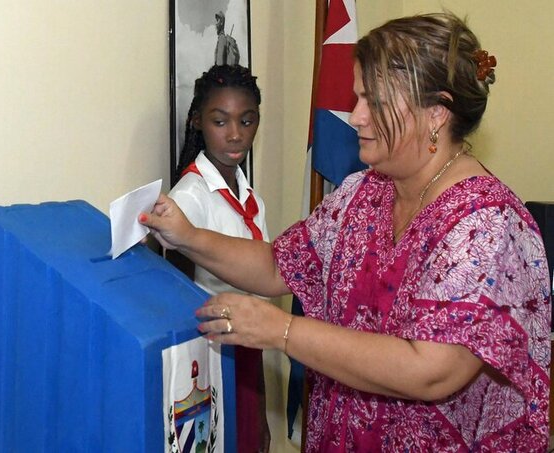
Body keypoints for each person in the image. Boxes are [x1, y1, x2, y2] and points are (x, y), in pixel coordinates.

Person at [142, 12, 550, 451]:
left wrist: (282, 331)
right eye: (357, 98)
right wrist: (186, 234)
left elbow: (432, 370)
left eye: (374, 102)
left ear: (436, 112)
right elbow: (279, 266)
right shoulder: (364, 191)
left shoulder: (485, 225)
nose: (355, 116)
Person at [169, 63, 271, 452]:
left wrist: (261, 409)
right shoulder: (188, 199)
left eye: (246, 121)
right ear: (198, 121)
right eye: (220, 121)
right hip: (211, 356)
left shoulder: (252, 199)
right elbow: (177, 301)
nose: (235, 134)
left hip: (250, 347)